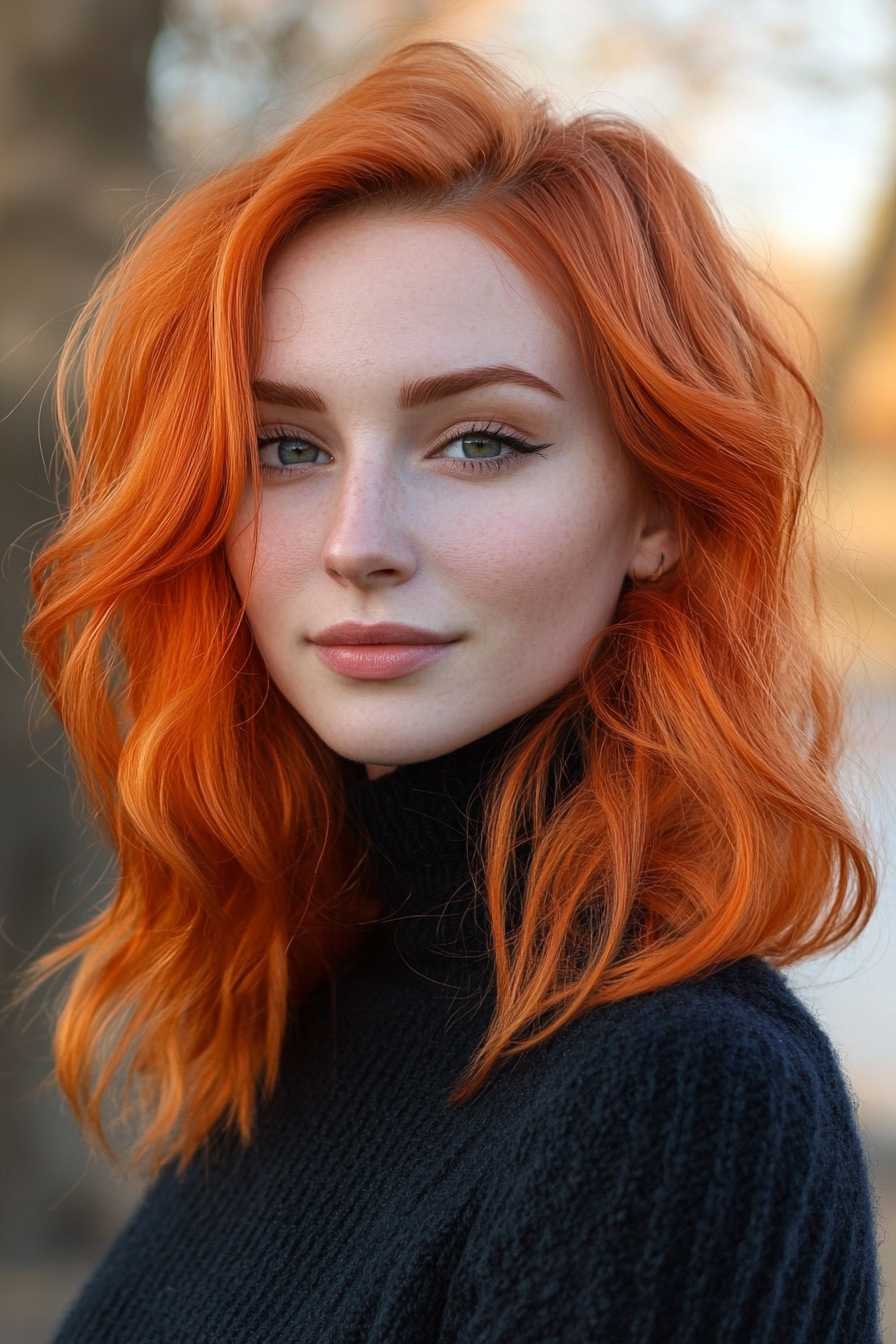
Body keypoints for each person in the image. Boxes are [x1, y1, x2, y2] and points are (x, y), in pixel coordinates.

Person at [27, 40, 880, 1343]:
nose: (357, 538)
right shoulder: (313, 1000)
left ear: (658, 507)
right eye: (288, 448)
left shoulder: (680, 1104)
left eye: (480, 440)